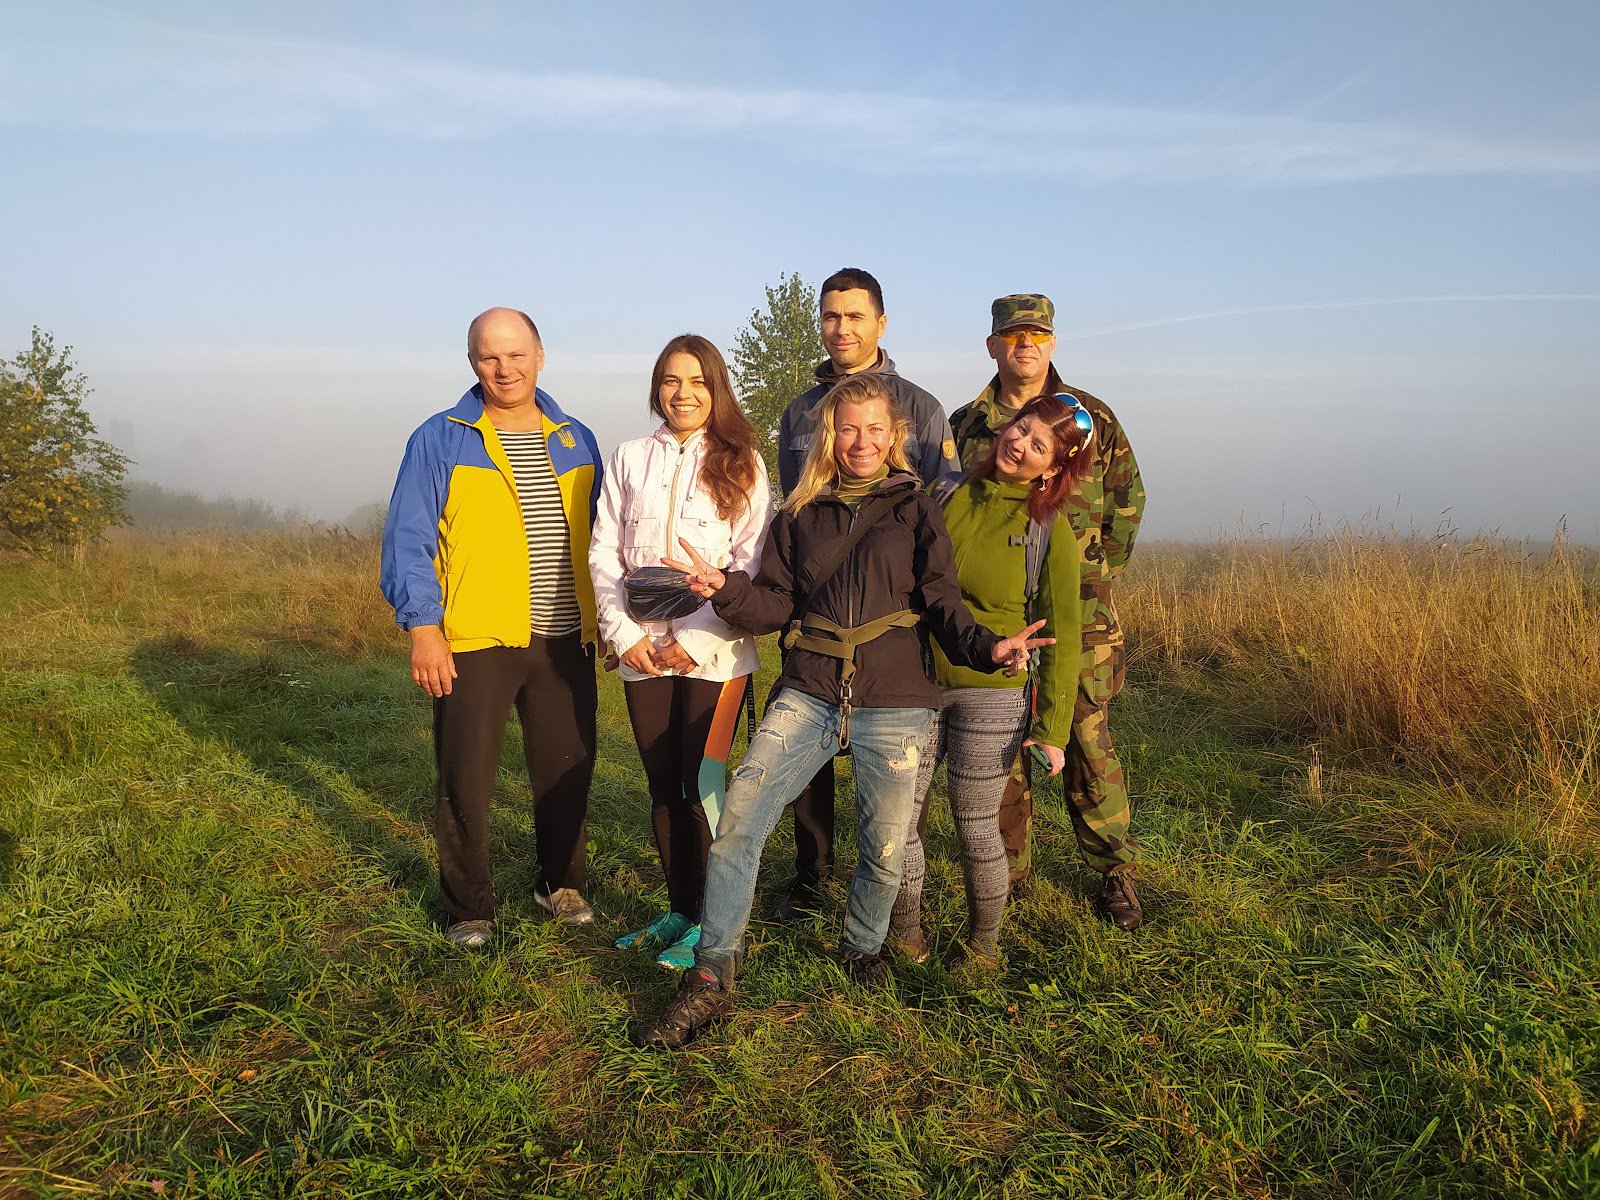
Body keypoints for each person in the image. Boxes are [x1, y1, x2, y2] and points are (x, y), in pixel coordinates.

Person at [631, 374, 1052, 1049]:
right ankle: (710, 977)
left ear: (894, 437)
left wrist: (987, 647)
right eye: (849, 429)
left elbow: (942, 601)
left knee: (884, 847)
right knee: (741, 816)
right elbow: (773, 604)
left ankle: (862, 947)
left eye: (875, 430)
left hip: (897, 696)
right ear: (832, 435)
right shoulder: (800, 513)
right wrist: (727, 589)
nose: (861, 441)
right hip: (810, 686)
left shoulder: (916, 508)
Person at [380, 307, 603, 948]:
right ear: (472, 362)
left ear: (540, 355)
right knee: (466, 777)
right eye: (487, 356)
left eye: (514, 354)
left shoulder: (575, 437)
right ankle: (469, 907)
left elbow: (603, 541)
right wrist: (425, 628)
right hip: (475, 639)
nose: (503, 369)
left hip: (563, 639)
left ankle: (558, 884)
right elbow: (408, 539)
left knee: (567, 767)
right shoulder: (439, 438)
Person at [948, 294, 1146, 928]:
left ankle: (1115, 871)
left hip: (1079, 626)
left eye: (1036, 335)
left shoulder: (1092, 419)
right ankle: (1009, 873)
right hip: (994, 626)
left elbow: (1127, 505)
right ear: (993, 346)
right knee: (1001, 753)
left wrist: (1087, 579)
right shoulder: (965, 424)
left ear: (1052, 343)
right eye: (1011, 336)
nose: (1024, 345)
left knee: (1088, 750)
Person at [770, 266, 962, 921]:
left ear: (882, 322)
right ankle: (812, 874)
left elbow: (946, 511)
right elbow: (792, 513)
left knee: (893, 760)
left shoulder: (922, 409)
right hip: (816, 612)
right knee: (807, 755)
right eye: (830, 316)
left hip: (893, 620)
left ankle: (888, 885)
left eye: (855, 316)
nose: (841, 328)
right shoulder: (799, 412)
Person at [589, 334, 773, 970]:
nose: (683, 393)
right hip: (642, 655)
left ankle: (712, 927)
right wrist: (628, 637)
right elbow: (604, 551)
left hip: (713, 657)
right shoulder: (630, 456)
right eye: (670, 380)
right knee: (663, 785)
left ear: (717, 388)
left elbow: (748, 564)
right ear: (655, 388)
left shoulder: (744, 461)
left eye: (697, 381)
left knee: (704, 790)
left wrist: (690, 641)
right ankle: (678, 909)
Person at [888, 394, 1091, 969]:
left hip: (995, 690)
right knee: (901, 815)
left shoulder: (1048, 528)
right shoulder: (945, 495)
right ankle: (907, 936)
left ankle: (984, 946)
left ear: (1052, 467)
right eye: (1020, 428)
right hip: (917, 678)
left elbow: (1063, 635)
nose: (1019, 444)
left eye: (1038, 445)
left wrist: (1052, 727)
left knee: (975, 820)